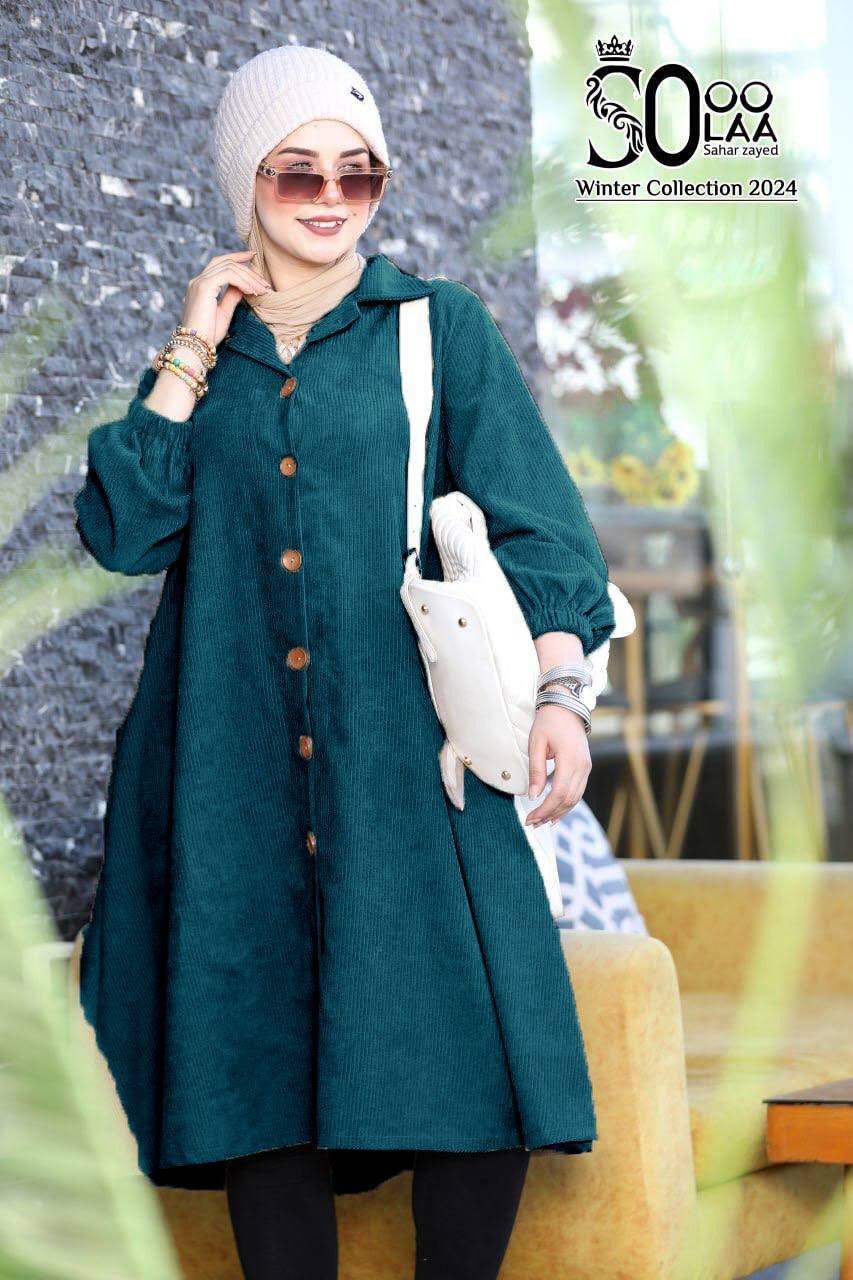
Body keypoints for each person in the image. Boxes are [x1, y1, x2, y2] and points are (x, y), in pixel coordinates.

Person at [72, 44, 616, 1280]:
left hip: (408, 760)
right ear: (244, 182)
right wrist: (189, 343)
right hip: (230, 762)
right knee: (259, 1075)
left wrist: (561, 695)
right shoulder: (202, 362)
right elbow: (125, 531)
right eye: (295, 172)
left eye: (357, 173)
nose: (329, 197)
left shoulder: (436, 327)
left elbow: (540, 528)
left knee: (472, 1060)